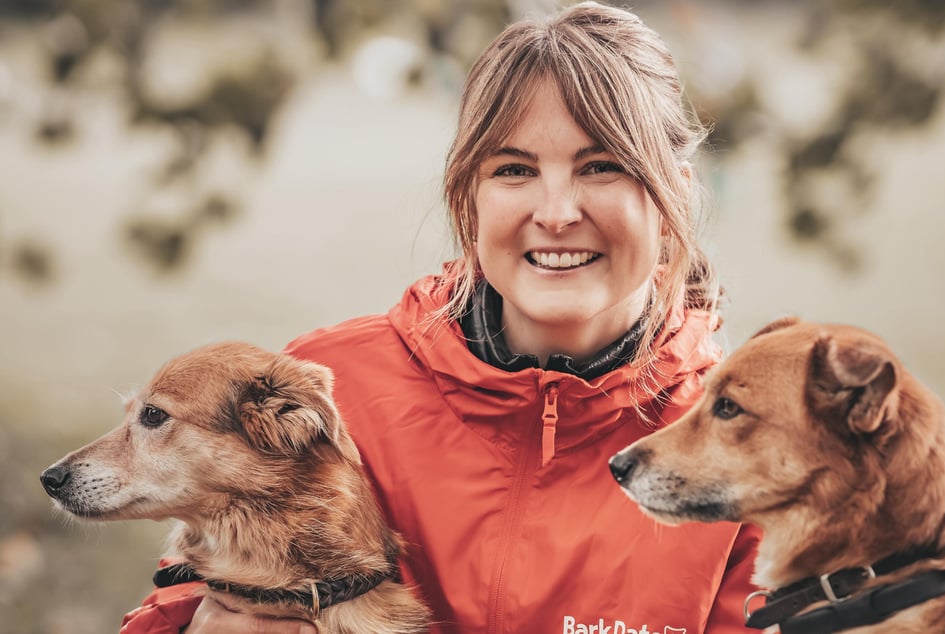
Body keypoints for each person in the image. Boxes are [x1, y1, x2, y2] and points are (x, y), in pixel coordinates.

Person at [120, 2, 760, 632]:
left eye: (602, 166)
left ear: (672, 190)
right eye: (515, 169)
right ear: (468, 199)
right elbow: (178, 605)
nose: (558, 211)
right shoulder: (333, 392)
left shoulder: (750, 448)